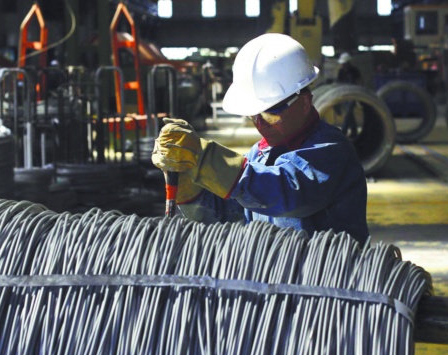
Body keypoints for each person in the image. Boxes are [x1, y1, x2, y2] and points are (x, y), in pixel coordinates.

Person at [152, 33, 369, 245]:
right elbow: (231, 213)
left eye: (270, 114)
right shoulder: (260, 153)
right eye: (253, 115)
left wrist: (206, 159)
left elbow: (287, 192)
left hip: (326, 268)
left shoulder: (332, 150)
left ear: (304, 103)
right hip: (272, 270)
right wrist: (190, 186)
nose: (260, 124)